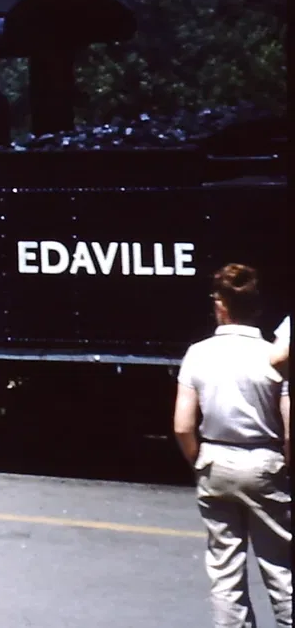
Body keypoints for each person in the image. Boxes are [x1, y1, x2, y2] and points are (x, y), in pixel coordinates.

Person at [173, 263, 291, 628]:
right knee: (281, 568)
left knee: (225, 571)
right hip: (265, 461)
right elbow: (290, 429)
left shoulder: (198, 353)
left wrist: (200, 460)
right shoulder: (273, 355)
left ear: (221, 305)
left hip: (215, 461)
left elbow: (182, 426)